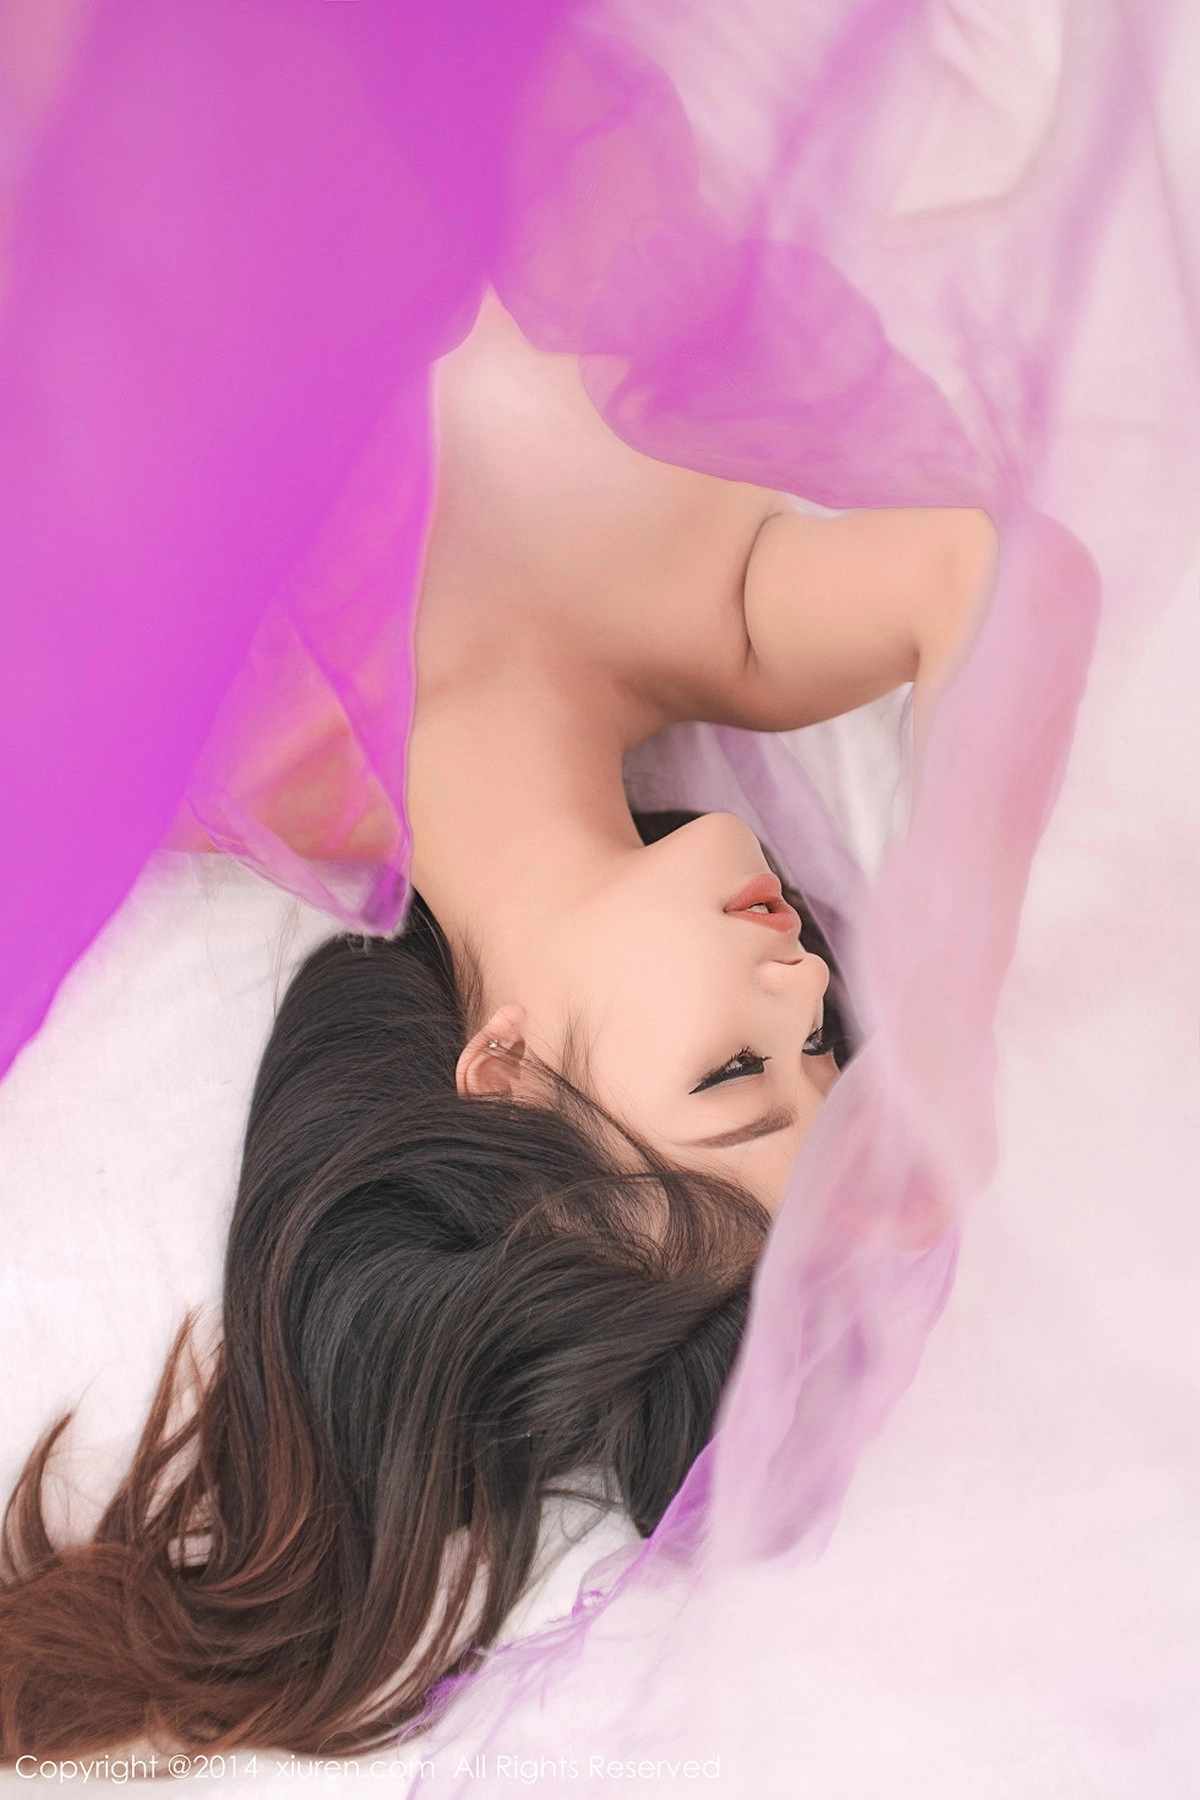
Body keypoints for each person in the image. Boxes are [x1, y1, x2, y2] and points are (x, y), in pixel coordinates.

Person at [0, 294, 996, 1759]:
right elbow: (981, 575)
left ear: (507, 1071)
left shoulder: (208, 737)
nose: (802, 992)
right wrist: (959, 1030)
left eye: (734, 1074)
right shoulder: (728, 624)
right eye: (825, 1058)